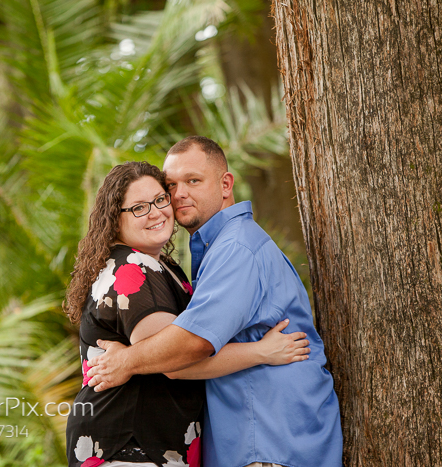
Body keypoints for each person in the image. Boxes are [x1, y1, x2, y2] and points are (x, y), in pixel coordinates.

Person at [86, 137, 343, 467]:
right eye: (171, 185)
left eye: (193, 181)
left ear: (225, 184)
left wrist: (125, 362)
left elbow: (190, 345)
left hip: (267, 443)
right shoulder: (217, 248)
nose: (178, 194)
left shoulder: (236, 248)